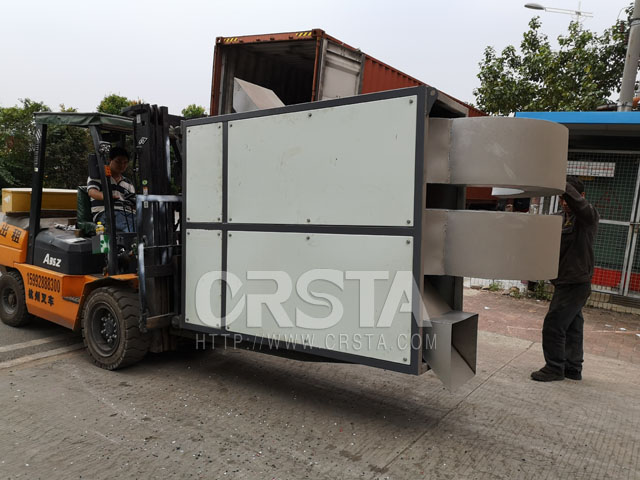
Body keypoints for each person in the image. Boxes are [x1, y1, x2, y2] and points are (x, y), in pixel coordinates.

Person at [531, 176, 599, 382]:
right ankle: (572, 368)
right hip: (564, 281)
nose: (564, 202)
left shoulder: (588, 217)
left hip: (575, 282)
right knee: (573, 326)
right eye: (561, 198)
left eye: (567, 198)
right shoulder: (558, 219)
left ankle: (554, 368)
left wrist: (559, 179)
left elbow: (580, 206)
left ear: (581, 196)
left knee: (554, 325)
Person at [87, 146, 136, 233]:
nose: (122, 165)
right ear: (110, 160)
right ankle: (133, 241)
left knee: (146, 222)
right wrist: (107, 197)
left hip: (126, 212)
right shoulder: (99, 176)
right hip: (105, 213)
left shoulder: (128, 183)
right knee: (131, 225)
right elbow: (92, 192)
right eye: (118, 162)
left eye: (125, 163)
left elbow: (133, 201)